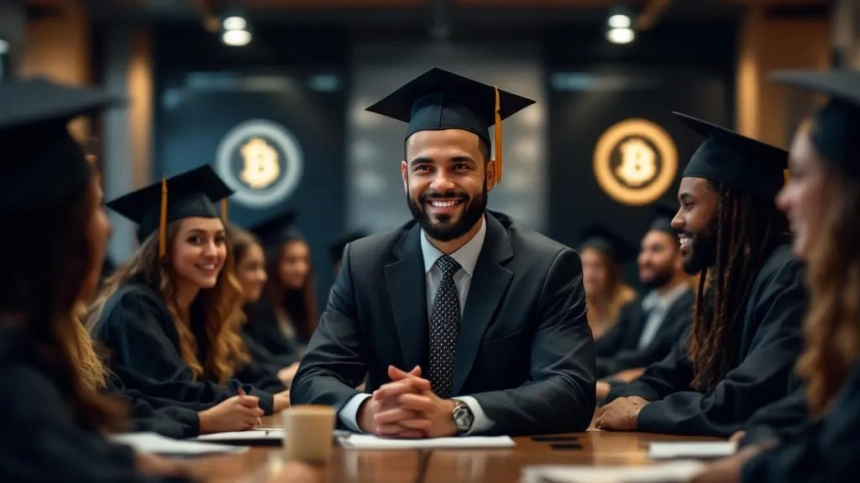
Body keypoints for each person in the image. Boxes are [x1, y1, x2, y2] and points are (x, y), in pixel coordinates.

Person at [290, 67, 596, 437]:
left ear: (490, 173)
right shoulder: (364, 264)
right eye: (424, 168)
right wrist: (368, 410)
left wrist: (456, 414)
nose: (441, 183)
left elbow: (572, 391)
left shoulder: (547, 267)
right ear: (405, 176)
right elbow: (312, 378)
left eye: (460, 166)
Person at [0, 78, 189, 481]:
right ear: (60, 237)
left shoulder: (28, 355)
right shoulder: (13, 384)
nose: (107, 230)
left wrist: (123, 461)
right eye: (96, 209)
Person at [693, 69, 860, 482]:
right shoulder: (846, 309)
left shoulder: (787, 274)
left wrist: (748, 467)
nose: (783, 200)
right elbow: (809, 414)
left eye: (801, 177)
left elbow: (838, 460)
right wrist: (760, 442)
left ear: (848, 192)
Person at [595, 112, 807, 437]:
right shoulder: (727, 286)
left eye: (689, 205)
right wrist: (634, 399)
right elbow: (668, 374)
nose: (676, 221)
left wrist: (643, 414)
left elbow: (745, 399)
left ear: (731, 208)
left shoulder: (789, 275)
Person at [86, 165, 289, 416]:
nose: (213, 252)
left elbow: (237, 372)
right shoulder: (134, 305)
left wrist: (287, 390)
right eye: (196, 239)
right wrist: (271, 401)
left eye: (219, 239)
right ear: (163, 248)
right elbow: (174, 390)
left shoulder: (200, 305)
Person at [595, 203, 694, 400]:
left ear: (679, 256)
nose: (644, 259)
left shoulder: (692, 309)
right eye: (643, 250)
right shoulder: (636, 307)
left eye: (656, 250)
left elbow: (650, 360)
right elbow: (605, 346)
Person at [229, 224, 301, 385]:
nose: (262, 277)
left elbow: (261, 363)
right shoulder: (256, 313)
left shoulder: (236, 319)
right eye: (252, 267)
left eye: (262, 267)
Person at [245, 211, 318, 356]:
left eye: (304, 260)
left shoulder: (294, 308)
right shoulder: (256, 313)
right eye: (291, 261)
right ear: (272, 264)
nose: (301, 269)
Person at [579, 224, 639, 349]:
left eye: (597, 266)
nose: (589, 274)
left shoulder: (630, 309)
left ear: (611, 272)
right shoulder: (578, 308)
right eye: (584, 265)